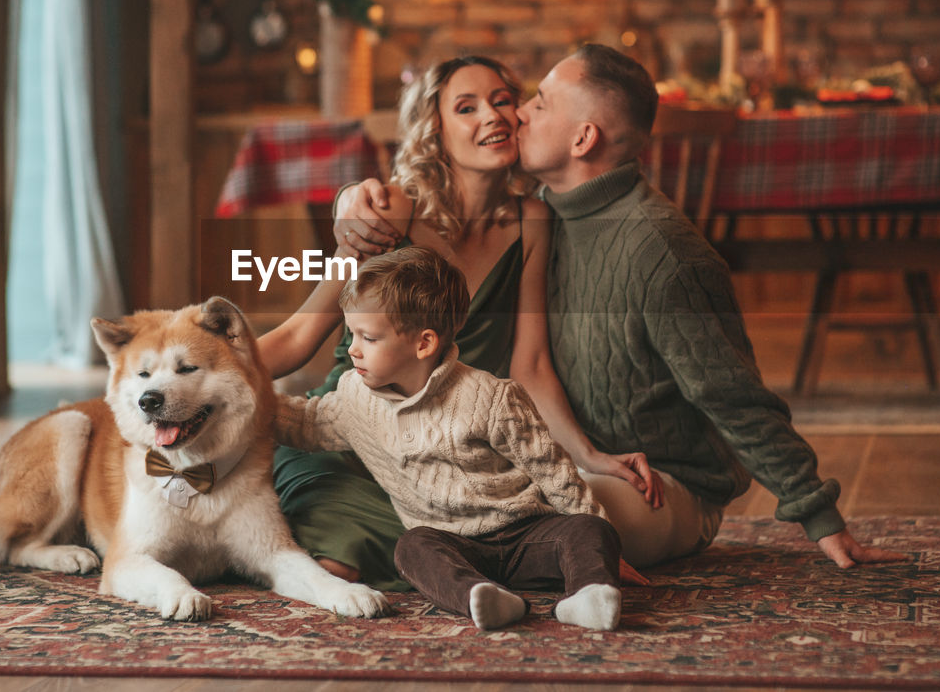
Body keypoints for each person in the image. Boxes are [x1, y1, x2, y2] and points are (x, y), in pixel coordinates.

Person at [342, 43, 908, 571]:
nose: (518, 116)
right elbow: (526, 359)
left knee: (515, 512)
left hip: (659, 482)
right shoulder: (545, 216)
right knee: (457, 488)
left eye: (537, 103)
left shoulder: (662, 252)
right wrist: (354, 198)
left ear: (583, 139)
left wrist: (818, 514)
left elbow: (734, 397)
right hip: (572, 457)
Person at [257, 55, 660, 590]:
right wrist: (197, 380)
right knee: (342, 557)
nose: (491, 116)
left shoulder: (532, 220)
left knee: (486, 528)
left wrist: (587, 455)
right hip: (349, 437)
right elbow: (299, 335)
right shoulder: (391, 210)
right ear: (435, 131)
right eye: (465, 107)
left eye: (500, 101)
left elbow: (531, 364)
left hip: (449, 457)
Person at [275, 246, 632, 631]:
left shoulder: (489, 397)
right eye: (351, 334)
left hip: (524, 533)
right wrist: (248, 399)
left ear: (423, 343)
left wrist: (606, 547)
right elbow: (306, 424)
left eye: (368, 338)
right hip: (452, 546)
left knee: (589, 528)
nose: (354, 350)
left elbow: (552, 469)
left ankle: (590, 594)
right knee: (412, 549)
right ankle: (481, 596)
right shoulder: (354, 397)